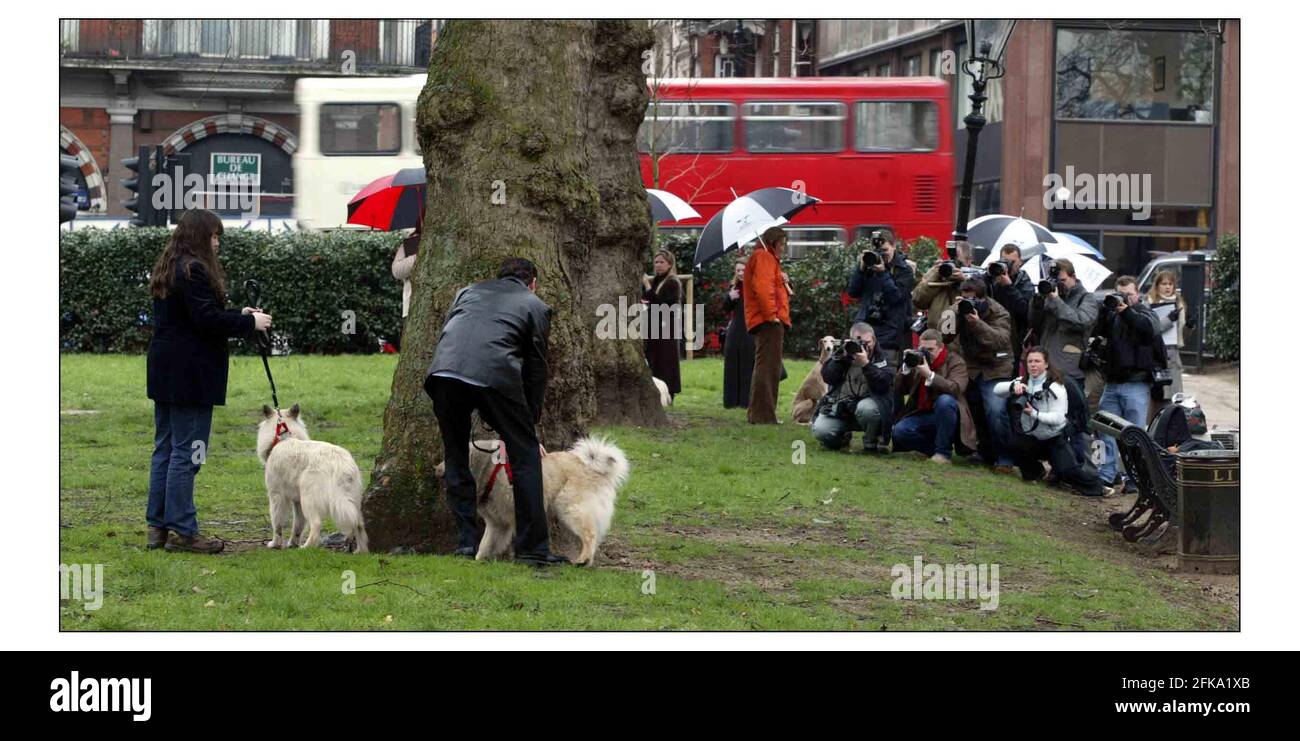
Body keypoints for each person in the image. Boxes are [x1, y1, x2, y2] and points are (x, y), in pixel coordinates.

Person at [146, 208, 272, 554]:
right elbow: (205, 321)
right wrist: (249, 325)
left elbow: (194, 317)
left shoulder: (169, 267)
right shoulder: (195, 269)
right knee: (189, 452)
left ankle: (157, 527)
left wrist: (239, 316)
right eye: (215, 235)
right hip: (192, 372)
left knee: (166, 448)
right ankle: (184, 531)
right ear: (202, 236)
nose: (218, 242)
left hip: (165, 367)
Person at [425, 257, 565, 566]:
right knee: (525, 456)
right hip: (495, 375)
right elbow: (536, 367)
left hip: (444, 374)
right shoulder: (535, 305)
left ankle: (465, 543)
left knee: (456, 456)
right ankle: (532, 549)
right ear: (533, 283)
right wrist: (530, 419)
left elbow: (455, 334)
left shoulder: (466, 292)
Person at [994, 347, 1103, 496]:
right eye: (1030, 361)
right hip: (1031, 436)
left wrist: (1034, 413)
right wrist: (1013, 386)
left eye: (1037, 361)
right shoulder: (1023, 381)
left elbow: (1058, 418)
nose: (1033, 365)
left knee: (1068, 471)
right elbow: (997, 390)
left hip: (1054, 437)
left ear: (1046, 364)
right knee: (1014, 443)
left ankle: (1098, 487)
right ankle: (1035, 473)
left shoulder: (1056, 386)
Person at [1092, 275, 1163, 493]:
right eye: (1120, 293)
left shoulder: (1144, 312)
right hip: (1112, 383)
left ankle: (1136, 478)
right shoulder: (1112, 314)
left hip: (1136, 383)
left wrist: (1126, 311)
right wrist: (1106, 309)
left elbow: (1148, 329)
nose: (1124, 298)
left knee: (1135, 434)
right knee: (1105, 430)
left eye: (1129, 294)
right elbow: (1097, 332)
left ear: (1137, 293)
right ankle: (1106, 475)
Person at [951, 278, 1017, 473]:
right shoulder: (959, 310)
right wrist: (952, 312)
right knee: (973, 410)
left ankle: (1005, 457)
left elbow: (999, 340)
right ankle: (983, 451)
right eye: (965, 299)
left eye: (971, 300)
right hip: (971, 367)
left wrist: (977, 323)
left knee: (996, 411)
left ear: (983, 299)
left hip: (997, 367)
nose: (968, 303)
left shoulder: (999, 312)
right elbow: (944, 334)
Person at [891, 329, 979, 464]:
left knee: (945, 401)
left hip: (950, 415)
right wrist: (906, 368)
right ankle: (930, 449)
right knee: (899, 432)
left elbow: (956, 389)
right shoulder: (918, 359)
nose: (926, 353)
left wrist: (930, 375)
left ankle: (942, 454)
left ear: (941, 347)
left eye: (930, 349)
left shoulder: (955, 362)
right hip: (923, 414)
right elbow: (900, 389)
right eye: (923, 349)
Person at [811, 323, 895, 453]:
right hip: (843, 407)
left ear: (874, 340)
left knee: (867, 409)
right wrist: (840, 359)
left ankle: (871, 443)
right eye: (859, 342)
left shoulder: (882, 357)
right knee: (821, 430)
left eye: (868, 342)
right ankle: (840, 440)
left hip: (867, 408)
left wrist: (866, 364)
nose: (864, 346)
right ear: (851, 340)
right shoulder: (843, 354)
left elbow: (883, 384)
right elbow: (828, 377)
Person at [1026, 258, 1099, 393]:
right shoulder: (1049, 296)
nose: (1059, 285)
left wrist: (1057, 301)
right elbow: (1033, 324)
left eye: (1063, 280)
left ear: (1074, 277)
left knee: (1069, 412)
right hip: (1046, 369)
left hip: (1069, 370)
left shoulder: (1087, 298)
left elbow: (1081, 322)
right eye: (1056, 281)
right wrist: (1037, 302)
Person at [743, 226, 792, 424]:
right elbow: (763, 289)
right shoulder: (764, 257)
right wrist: (772, 316)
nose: (783, 248)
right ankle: (764, 415)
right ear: (774, 242)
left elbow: (767, 285)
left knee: (767, 367)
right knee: (768, 368)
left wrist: (781, 278)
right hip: (768, 321)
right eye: (782, 244)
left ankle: (759, 414)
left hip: (766, 319)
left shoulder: (765, 258)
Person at [847, 229, 915, 367]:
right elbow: (853, 292)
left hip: (890, 331)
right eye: (879, 251)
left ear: (894, 246)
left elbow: (897, 298)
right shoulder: (868, 266)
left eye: (885, 250)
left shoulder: (904, 269)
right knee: (859, 370)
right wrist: (860, 270)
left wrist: (883, 273)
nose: (882, 255)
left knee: (884, 372)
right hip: (866, 326)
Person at [1145, 269, 1187, 422]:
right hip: (1156, 354)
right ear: (1157, 286)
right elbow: (1151, 328)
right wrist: (1169, 319)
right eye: (1164, 284)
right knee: (1157, 396)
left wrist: (1189, 326)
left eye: (1170, 284)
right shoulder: (1149, 302)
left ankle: (1171, 428)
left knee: (1174, 397)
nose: (1167, 287)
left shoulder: (1179, 303)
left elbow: (1181, 336)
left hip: (1173, 354)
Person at [642, 249, 683, 402]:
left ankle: (669, 393)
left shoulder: (672, 282)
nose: (658, 265)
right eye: (656, 262)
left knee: (666, 361)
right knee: (655, 359)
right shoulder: (659, 280)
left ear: (669, 264)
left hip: (666, 328)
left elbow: (661, 304)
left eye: (661, 262)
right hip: (655, 327)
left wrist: (647, 286)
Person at [913, 240, 974, 342]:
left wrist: (964, 281)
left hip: (961, 340)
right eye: (950, 259)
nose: (952, 264)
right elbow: (918, 300)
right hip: (936, 339)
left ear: (968, 261)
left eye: (957, 260)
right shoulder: (938, 275)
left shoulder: (976, 278)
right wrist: (935, 275)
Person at [988, 243, 1036, 373]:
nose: (1009, 265)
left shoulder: (1025, 282)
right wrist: (988, 275)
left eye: (1012, 261)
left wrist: (1009, 286)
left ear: (1020, 261)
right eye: (1005, 261)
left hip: (1014, 341)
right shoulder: (993, 279)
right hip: (993, 337)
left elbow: (1025, 311)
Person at [721, 257, 755, 408]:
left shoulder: (755, 285)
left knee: (748, 365)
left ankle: (745, 401)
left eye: (743, 269)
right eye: (738, 270)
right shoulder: (734, 287)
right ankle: (730, 401)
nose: (741, 273)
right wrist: (729, 298)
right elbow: (725, 308)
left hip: (750, 330)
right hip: (735, 329)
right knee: (732, 365)